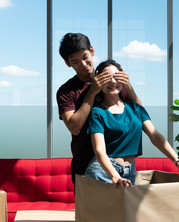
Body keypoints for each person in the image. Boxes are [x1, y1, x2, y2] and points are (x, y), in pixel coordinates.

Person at [85, 60, 179, 188]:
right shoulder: (97, 112)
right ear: (99, 79)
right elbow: (99, 151)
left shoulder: (136, 108)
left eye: (116, 77)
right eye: (107, 77)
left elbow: (155, 136)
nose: (113, 82)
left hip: (129, 172)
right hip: (103, 172)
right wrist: (115, 176)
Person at [56, 33, 140, 184]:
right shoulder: (66, 91)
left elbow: (140, 114)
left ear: (92, 51)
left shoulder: (112, 79)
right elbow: (74, 127)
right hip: (85, 164)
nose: (83, 64)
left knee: (123, 208)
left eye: (85, 57)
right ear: (67, 63)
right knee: (91, 208)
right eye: (75, 61)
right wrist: (93, 91)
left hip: (120, 164)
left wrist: (128, 87)